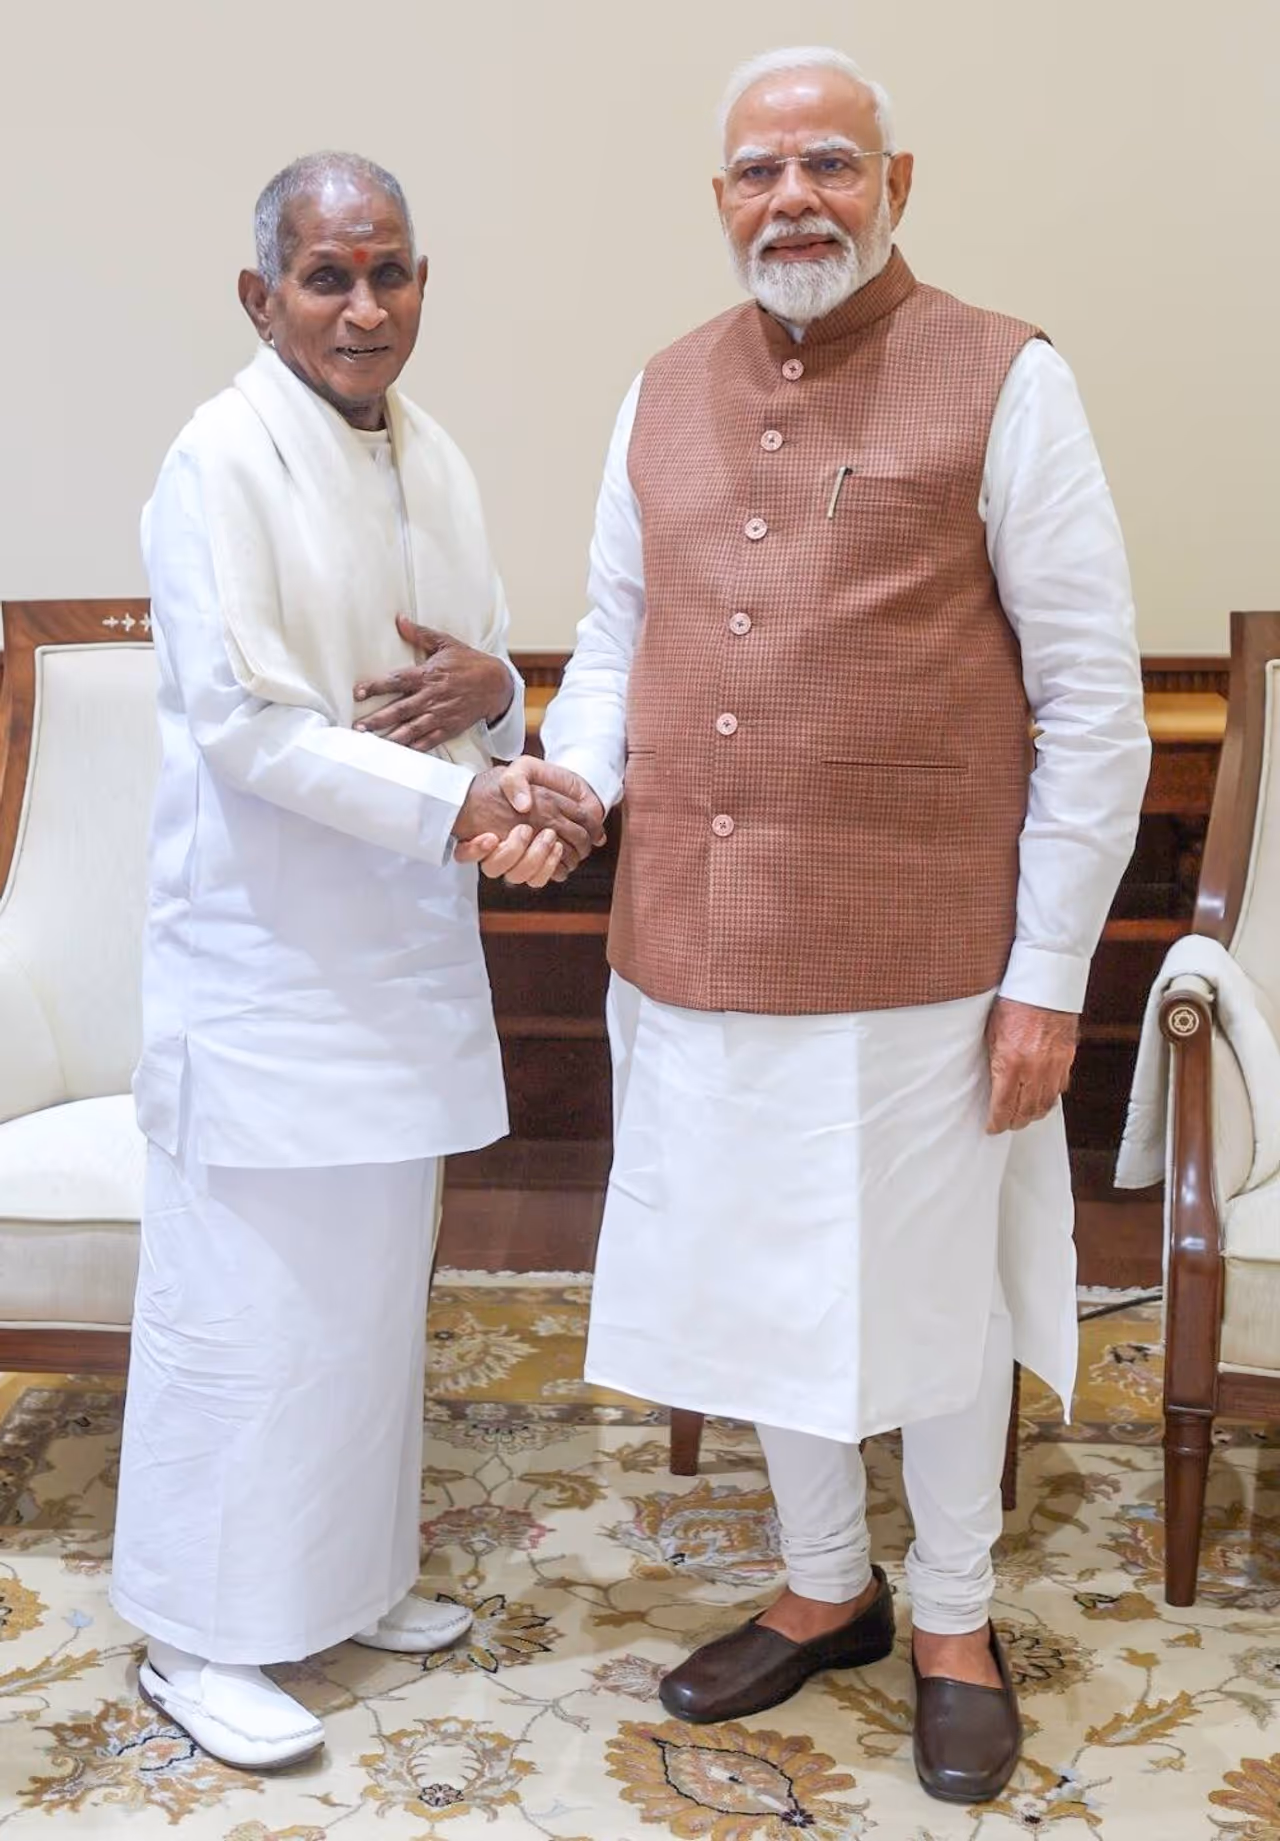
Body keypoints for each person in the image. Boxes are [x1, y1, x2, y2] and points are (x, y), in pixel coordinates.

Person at [477, 45, 1151, 1805]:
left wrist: (1049, 980)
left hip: (926, 966)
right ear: (721, 198)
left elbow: (1095, 707)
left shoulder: (1009, 377)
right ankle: (827, 1584)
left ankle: (955, 1617)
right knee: (760, 1283)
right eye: (761, 171)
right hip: (693, 948)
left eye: (832, 165)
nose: (796, 200)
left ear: (896, 185)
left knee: (933, 1305)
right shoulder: (659, 391)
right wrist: (577, 780)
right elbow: (616, 639)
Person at [110, 151, 600, 1771]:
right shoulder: (216, 457)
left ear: (422, 283)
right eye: (328, 277)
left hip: (397, 964)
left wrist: (503, 710)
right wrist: (467, 807)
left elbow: (466, 680)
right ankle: (198, 1635)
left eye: (389, 272)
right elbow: (245, 726)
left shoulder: (434, 455)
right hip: (266, 970)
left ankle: (342, 1582)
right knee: (246, 1317)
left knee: (370, 1309)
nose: (364, 306)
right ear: (264, 298)